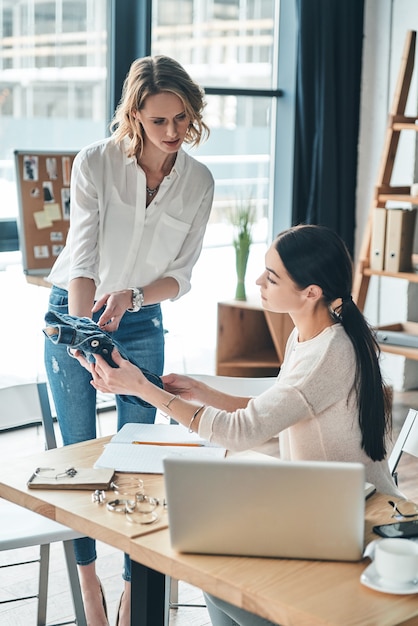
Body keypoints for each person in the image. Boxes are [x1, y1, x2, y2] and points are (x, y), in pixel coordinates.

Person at [77, 223, 403, 626]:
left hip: (363, 518)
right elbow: (275, 413)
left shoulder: (330, 352)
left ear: (311, 292)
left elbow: (243, 430)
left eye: (272, 276)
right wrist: (199, 391)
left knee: (220, 578)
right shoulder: (308, 336)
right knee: (214, 577)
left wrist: (145, 390)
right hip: (323, 505)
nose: (258, 281)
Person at [44, 54, 214, 626]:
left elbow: (182, 274)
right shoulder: (95, 162)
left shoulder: (199, 182)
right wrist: (82, 329)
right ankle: (87, 582)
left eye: (182, 119)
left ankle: (131, 588)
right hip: (74, 310)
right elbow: (84, 255)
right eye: (160, 120)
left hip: (141, 319)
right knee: (78, 454)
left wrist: (132, 299)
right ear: (136, 114)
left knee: (139, 455)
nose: (172, 134)